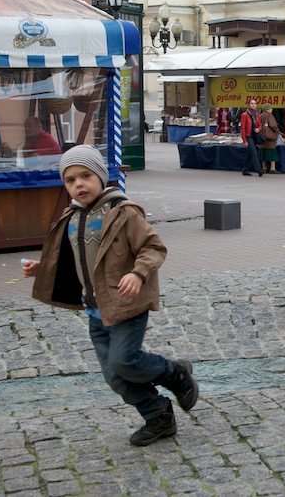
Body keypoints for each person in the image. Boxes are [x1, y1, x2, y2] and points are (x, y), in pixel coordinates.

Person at [23, 145, 199, 446]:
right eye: (70, 180)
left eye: (86, 176)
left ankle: (175, 373)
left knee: (125, 361)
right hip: (96, 311)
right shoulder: (73, 217)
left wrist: (138, 273)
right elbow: (76, 259)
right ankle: (158, 415)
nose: (79, 184)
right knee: (115, 376)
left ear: (101, 177)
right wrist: (44, 268)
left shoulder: (122, 212)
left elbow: (153, 248)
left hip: (126, 304)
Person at [239, 98, 264, 176]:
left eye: (255, 103)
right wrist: (244, 140)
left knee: (250, 154)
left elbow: (260, 125)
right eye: (252, 103)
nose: (253, 105)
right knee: (254, 153)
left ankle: (245, 170)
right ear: (248, 105)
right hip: (248, 136)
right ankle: (259, 170)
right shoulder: (244, 115)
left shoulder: (257, 114)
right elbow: (242, 128)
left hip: (255, 136)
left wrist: (258, 129)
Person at [258, 104, 281, 174]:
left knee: (263, 152)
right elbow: (273, 125)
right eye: (271, 108)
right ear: (267, 109)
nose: (272, 109)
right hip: (270, 138)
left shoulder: (260, 115)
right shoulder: (269, 115)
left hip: (262, 137)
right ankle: (272, 168)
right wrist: (278, 132)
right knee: (272, 152)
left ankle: (264, 167)